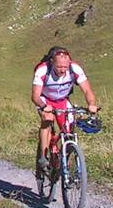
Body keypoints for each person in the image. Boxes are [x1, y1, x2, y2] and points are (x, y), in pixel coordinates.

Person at [31, 46, 99, 174]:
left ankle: (63, 159)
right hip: (45, 100)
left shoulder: (75, 68)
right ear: (52, 62)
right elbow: (35, 96)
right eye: (59, 67)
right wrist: (44, 107)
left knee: (69, 131)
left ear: (69, 63)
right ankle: (43, 157)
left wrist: (91, 104)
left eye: (65, 67)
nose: (62, 70)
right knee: (47, 119)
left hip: (62, 100)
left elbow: (87, 90)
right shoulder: (42, 70)